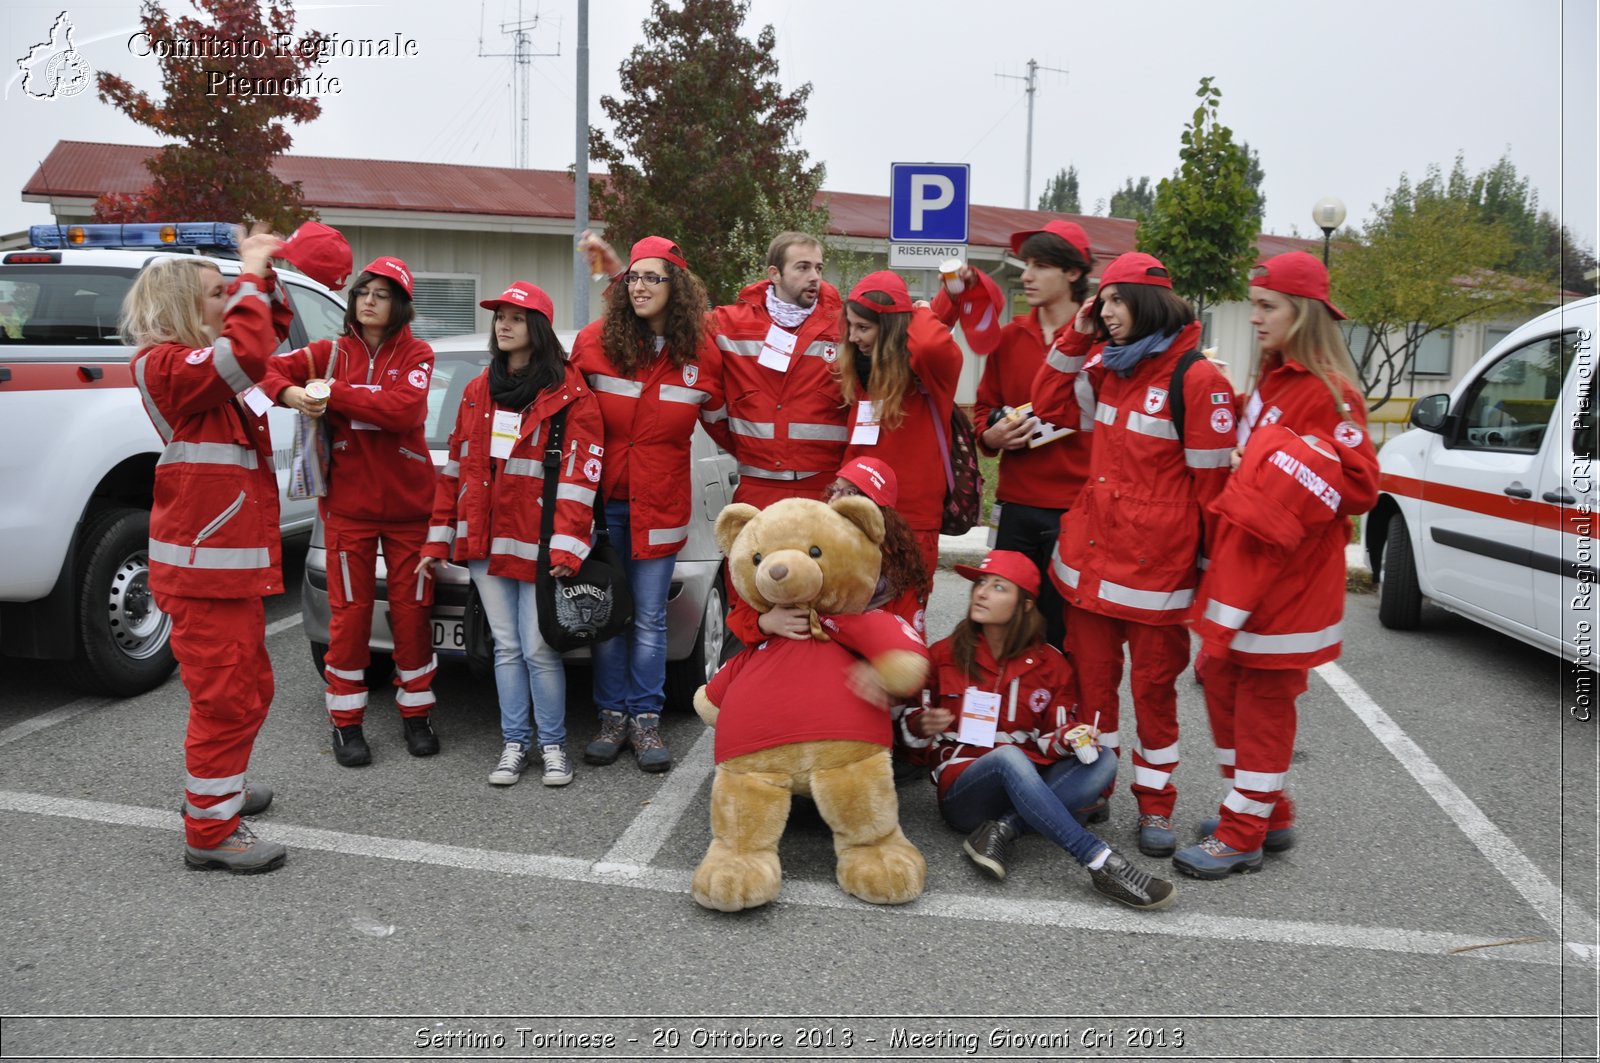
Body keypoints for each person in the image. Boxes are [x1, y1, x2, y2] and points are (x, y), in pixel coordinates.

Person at [1173, 252, 1379, 878]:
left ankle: (1242, 833)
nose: (1255, 317)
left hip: (1289, 578)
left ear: (1303, 314)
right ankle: (1267, 811)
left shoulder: (1329, 392)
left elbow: (1361, 486)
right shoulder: (1274, 378)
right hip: (1248, 567)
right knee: (1223, 684)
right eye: (1255, 305)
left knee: (1263, 700)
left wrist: (1272, 468)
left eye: (1268, 307)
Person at [1030, 252, 1236, 858]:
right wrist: (1079, 328)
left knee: (1153, 694)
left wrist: (1206, 577)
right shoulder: (1106, 368)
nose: (1107, 313)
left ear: (1147, 305)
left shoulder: (1198, 382)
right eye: (1103, 302)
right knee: (1093, 689)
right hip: (1092, 566)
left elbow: (1213, 496)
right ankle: (1097, 787)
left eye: (1116, 302)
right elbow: (1045, 397)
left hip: (1157, 577)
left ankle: (1157, 805)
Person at [124, 225, 292, 873]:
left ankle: (224, 788)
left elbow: (263, 339)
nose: (230, 301)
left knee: (251, 688)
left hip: (227, 569)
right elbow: (246, 351)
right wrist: (250, 269)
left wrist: (265, 277)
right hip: (203, 576)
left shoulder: (200, 371)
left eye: (229, 292)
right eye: (217, 293)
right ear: (180, 307)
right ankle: (211, 829)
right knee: (224, 697)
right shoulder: (166, 365)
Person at [904, 550, 1175, 909]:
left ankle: (1003, 829)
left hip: (1025, 783)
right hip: (964, 793)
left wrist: (1070, 738)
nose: (981, 593)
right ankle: (1099, 861)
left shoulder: (1052, 664)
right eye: (980, 584)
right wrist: (919, 725)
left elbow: (1050, 741)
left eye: (998, 587)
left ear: (1026, 605)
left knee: (1103, 759)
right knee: (1008, 757)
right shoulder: (943, 653)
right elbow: (909, 735)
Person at [419, 282, 603, 787]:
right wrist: (439, 540)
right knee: (505, 646)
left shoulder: (571, 394)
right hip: (486, 542)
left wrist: (567, 543)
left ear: (537, 329)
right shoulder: (479, 389)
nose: (503, 324)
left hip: (540, 544)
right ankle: (515, 743)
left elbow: (581, 476)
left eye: (516, 318)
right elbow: (455, 469)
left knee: (539, 647)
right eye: (499, 315)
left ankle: (552, 747)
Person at [267, 256, 440, 767]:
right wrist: (293, 392)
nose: (368, 300)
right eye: (363, 291)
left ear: (399, 305)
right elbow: (266, 372)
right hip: (347, 510)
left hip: (411, 511)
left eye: (381, 294)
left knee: (412, 616)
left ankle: (417, 715)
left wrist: (333, 392)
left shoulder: (419, 352)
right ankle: (346, 725)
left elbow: (403, 410)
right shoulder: (328, 352)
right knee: (349, 619)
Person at [569, 237, 728, 773]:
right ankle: (611, 716)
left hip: (659, 508)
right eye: (634, 277)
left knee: (651, 619)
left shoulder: (702, 355)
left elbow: (730, 426)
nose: (639, 286)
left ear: (676, 288)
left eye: (653, 278)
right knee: (609, 616)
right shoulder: (595, 343)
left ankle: (645, 720)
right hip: (602, 506)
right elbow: (563, 422)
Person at [932, 221, 1096, 649]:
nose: (1026, 275)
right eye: (1026, 265)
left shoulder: (1099, 343)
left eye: (1040, 266)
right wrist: (994, 436)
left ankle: (1060, 713)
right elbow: (984, 411)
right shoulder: (1008, 338)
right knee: (1006, 630)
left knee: (1065, 630)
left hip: (1077, 508)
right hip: (1016, 505)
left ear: (1074, 272)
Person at [838, 270, 965, 630]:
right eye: (850, 326)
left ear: (893, 329)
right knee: (854, 629)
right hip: (858, 520)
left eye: (863, 328)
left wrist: (921, 311)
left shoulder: (929, 376)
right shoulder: (863, 373)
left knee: (903, 632)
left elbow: (930, 345)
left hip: (912, 524)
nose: (853, 337)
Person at [709, 232, 848, 509]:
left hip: (824, 488)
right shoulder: (729, 323)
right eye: (803, 267)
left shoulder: (845, 326)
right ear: (775, 274)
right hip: (757, 485)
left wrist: (947, 301)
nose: (814, 277)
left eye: (818, 268)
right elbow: (675, 318)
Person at [727, 456, 927, 646]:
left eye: (851, 493)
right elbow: (741, 613)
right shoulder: (803, 537)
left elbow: (909, 644)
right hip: (793, 660)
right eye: (835, 489)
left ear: (875, 511)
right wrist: (765, 623)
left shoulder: (898, 574)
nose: (835, 498)